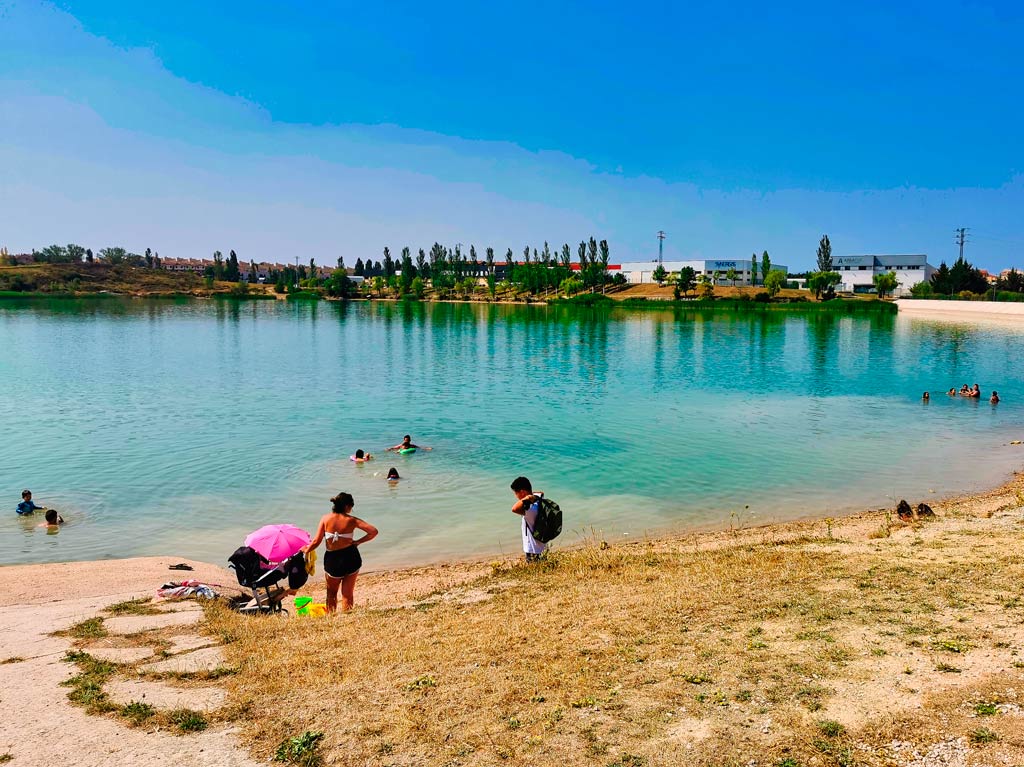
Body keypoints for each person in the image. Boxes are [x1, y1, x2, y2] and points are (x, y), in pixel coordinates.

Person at [302, 492, 378, 613]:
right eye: (351, 507)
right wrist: (358, 542)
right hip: (351, 557)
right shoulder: (352, 520)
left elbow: (316, 541)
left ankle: (331, 617)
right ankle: (347, 617)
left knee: (331, 593)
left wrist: (306, 550)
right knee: (347, 594)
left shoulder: (325, 519)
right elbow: (373, 531)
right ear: (347, 506)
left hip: (333, 560)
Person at [510, 476, 546, 562]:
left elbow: (514, 509)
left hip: (532, 549)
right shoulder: (539, 500)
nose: (516, 496)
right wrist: (531, 496)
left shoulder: (529, 508)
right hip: (542, 546)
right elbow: (540, 492)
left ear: (522, 492)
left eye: (516, 493)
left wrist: (528, 497)